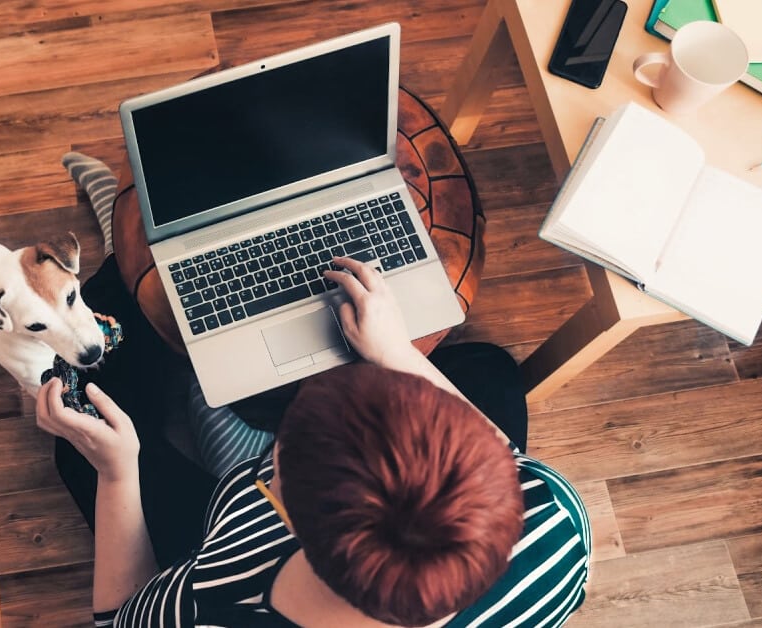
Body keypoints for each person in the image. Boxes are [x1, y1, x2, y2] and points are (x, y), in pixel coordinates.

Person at [38, 155, 590, 627]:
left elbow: (120, 617)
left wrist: (118, 471)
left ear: (285, 517)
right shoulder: (559, 527)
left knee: (79, 446)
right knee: (492, 369)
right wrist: (394, 352)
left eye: (275, 463)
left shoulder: (208, 607)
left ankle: (122, 261)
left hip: (207, 547)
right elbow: (504, 457)